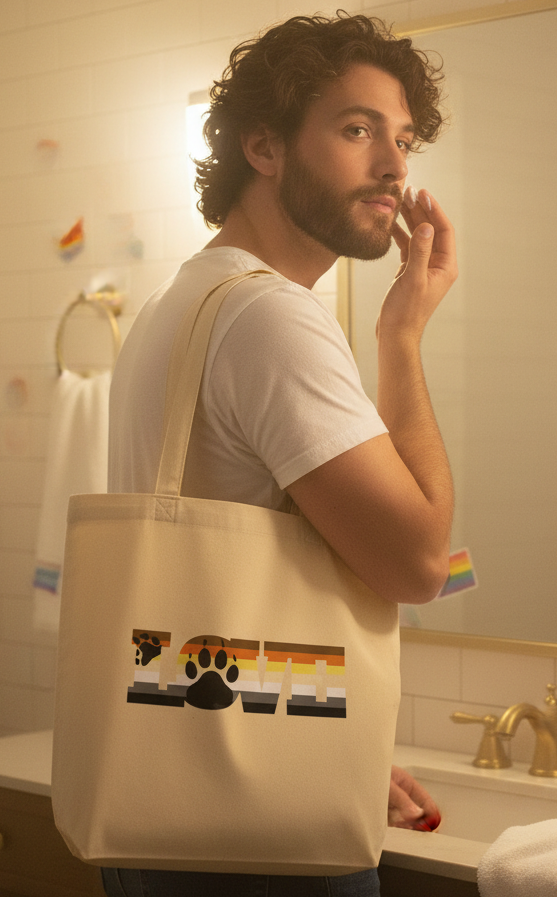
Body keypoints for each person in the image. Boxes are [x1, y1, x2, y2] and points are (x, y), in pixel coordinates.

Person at [104, 13, 455, 897]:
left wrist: (311, 750)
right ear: (263, 147)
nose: (394, 164)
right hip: (256, 860)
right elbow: (417, 560)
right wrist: (401, 338)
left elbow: (207, 630)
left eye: (402, 138)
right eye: (355, 128)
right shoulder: (270, 317)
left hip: (167, 811)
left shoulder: (179, 306)